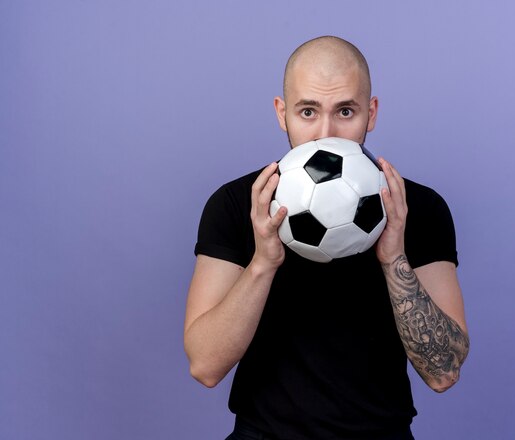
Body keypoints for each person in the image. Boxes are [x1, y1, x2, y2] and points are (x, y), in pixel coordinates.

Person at [184, 35, 470, 440]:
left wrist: (393, 258)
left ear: (371, 113)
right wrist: (263, 263)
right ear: (281, 113)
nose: (326, 133)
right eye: (307, 111)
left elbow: (444, 372)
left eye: (346, 111)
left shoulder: (419, 208)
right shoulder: (235, 205)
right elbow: (205, 366)